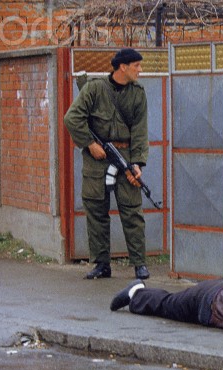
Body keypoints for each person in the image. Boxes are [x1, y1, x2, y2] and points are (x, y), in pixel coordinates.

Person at [64, 48, 150, 280]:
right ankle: (102, 264)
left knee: (132, 212)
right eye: (137, 66)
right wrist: (90, 144)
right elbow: (72, 118)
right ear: (123, 67)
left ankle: (139, 264)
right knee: (96, 211)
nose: (140, 70)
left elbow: (140, 131)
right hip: (97, 161)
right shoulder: (94, 89)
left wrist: (138, 163)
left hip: (125, 158)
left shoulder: (137, 93)